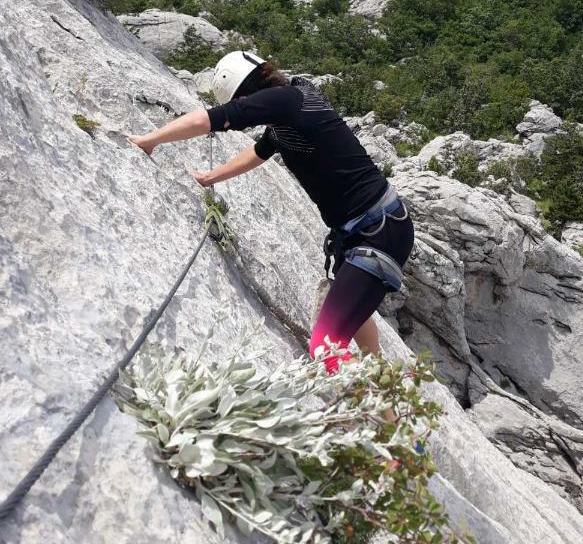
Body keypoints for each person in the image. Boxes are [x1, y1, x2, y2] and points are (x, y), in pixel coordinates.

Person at [129, 50, 414, 374]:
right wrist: (211, 177)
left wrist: (150, 140)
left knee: (325, 346)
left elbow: (206, 120)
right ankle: (390, 412)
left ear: (246, 94)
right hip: (373, 228)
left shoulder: (285, 101)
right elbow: (260, 151)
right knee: (361, 334)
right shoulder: (291, 108)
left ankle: (369, 416)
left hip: (377, 231)